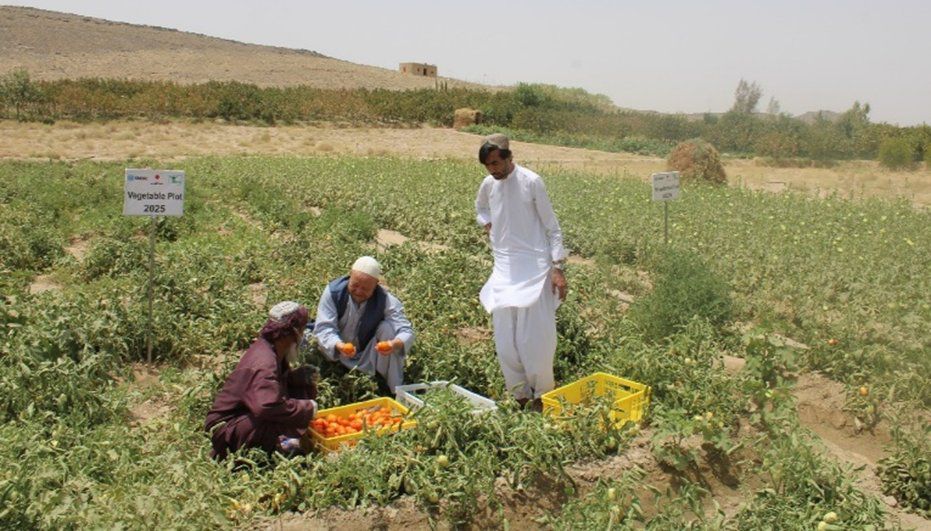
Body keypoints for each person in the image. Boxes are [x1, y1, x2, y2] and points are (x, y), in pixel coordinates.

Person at [475, 133, 568, 411]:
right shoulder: (489, 184)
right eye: (488, 165)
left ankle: (542, 396)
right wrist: (487, 222)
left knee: (535, 342)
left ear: (508, 156)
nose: (492, 169)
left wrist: (558, 268)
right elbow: (480, 208)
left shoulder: (531, 181)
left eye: (495, 163)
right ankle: (519, 396)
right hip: (504, 270)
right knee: (506, 343)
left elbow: (553, 227)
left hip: (535, 269)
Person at [204, 301, 318, 460]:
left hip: (246, 410)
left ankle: (281, 440)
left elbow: (272, 386)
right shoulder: (264, 362)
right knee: (268, 419)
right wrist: (306, 408)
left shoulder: (273, 347)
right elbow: (266, 406)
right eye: (302, 330)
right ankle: (256, 450)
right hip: (227, 427)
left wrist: (298, 377)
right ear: (293, 332)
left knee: (302, 385)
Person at [313, 256, 414, 393]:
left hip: (367, 351)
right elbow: (325, 327)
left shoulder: (385, 299)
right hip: (336, 349)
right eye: (355, 285)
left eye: (365, 288)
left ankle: (394, 390)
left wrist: (394, 344)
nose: (359, 291)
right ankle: (331, 371)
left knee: (388, 329)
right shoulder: (333, 292)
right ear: (350, 276)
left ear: (376, 284)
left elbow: (406, 330)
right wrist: (338, 345)